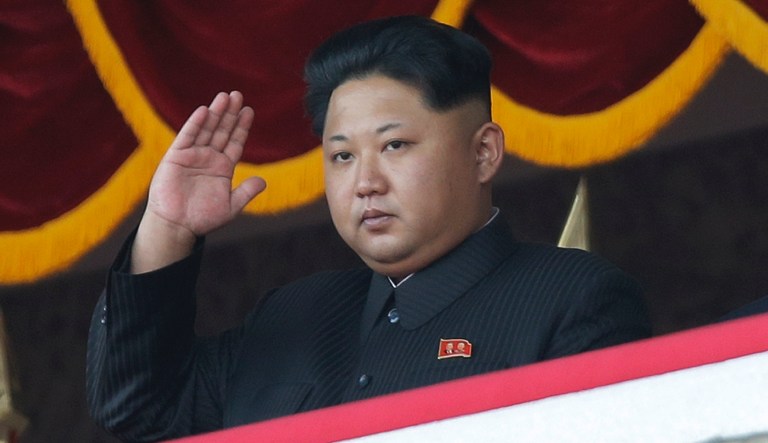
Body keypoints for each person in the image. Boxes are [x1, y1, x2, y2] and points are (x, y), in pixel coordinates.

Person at [87, 15, 650, 441]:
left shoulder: (574, 299)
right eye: (341, 157)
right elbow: (137, 409)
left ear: (483, 154)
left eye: (394, 145)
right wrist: (167, 226)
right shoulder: (292, 316)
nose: (365, 182)